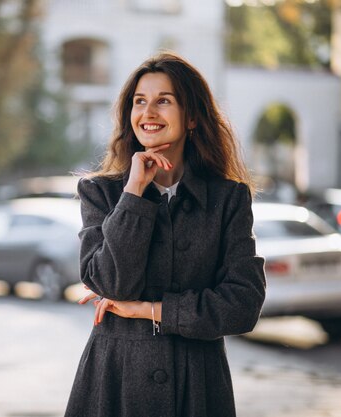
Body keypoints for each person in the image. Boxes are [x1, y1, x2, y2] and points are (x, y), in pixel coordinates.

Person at [64, 52, 266, 417]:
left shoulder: (228, 198)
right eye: (139, 101)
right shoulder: (102, 193)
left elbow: (243, 306)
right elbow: (110, 283)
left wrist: (151, 310)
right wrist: (134, 193)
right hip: (115, 381)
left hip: (199, 383)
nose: (149, 112)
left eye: (164, 101)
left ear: (191, 117)